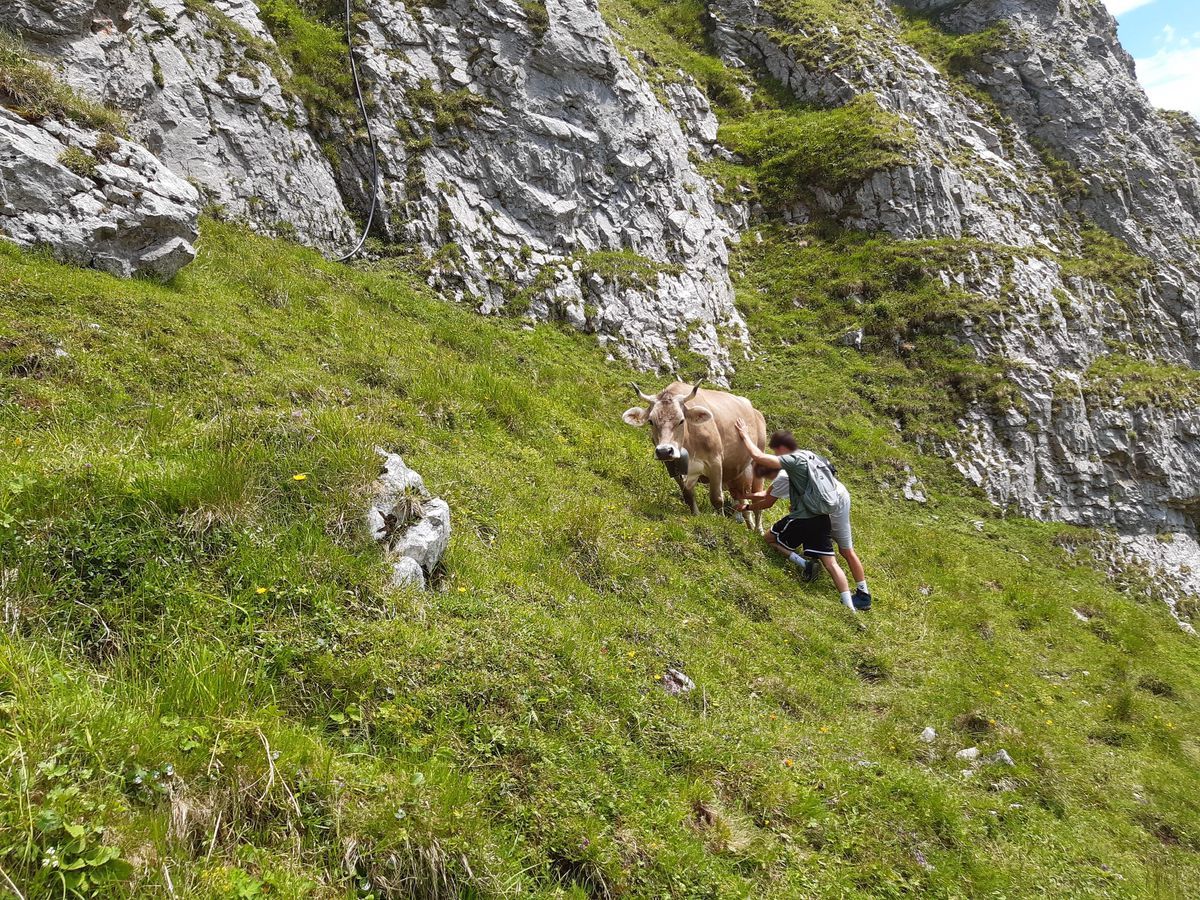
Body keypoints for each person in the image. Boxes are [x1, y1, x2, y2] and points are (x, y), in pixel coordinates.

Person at [734, 421, 872, 612]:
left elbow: (766, 495)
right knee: (838, 557)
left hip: (805, 517)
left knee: (768, 538)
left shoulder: (788, 469)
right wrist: (747, 496)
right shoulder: (810, 457)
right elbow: (766, 494)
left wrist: (744, 434)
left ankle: (805, 564)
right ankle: (854, 604)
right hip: (831, 508)